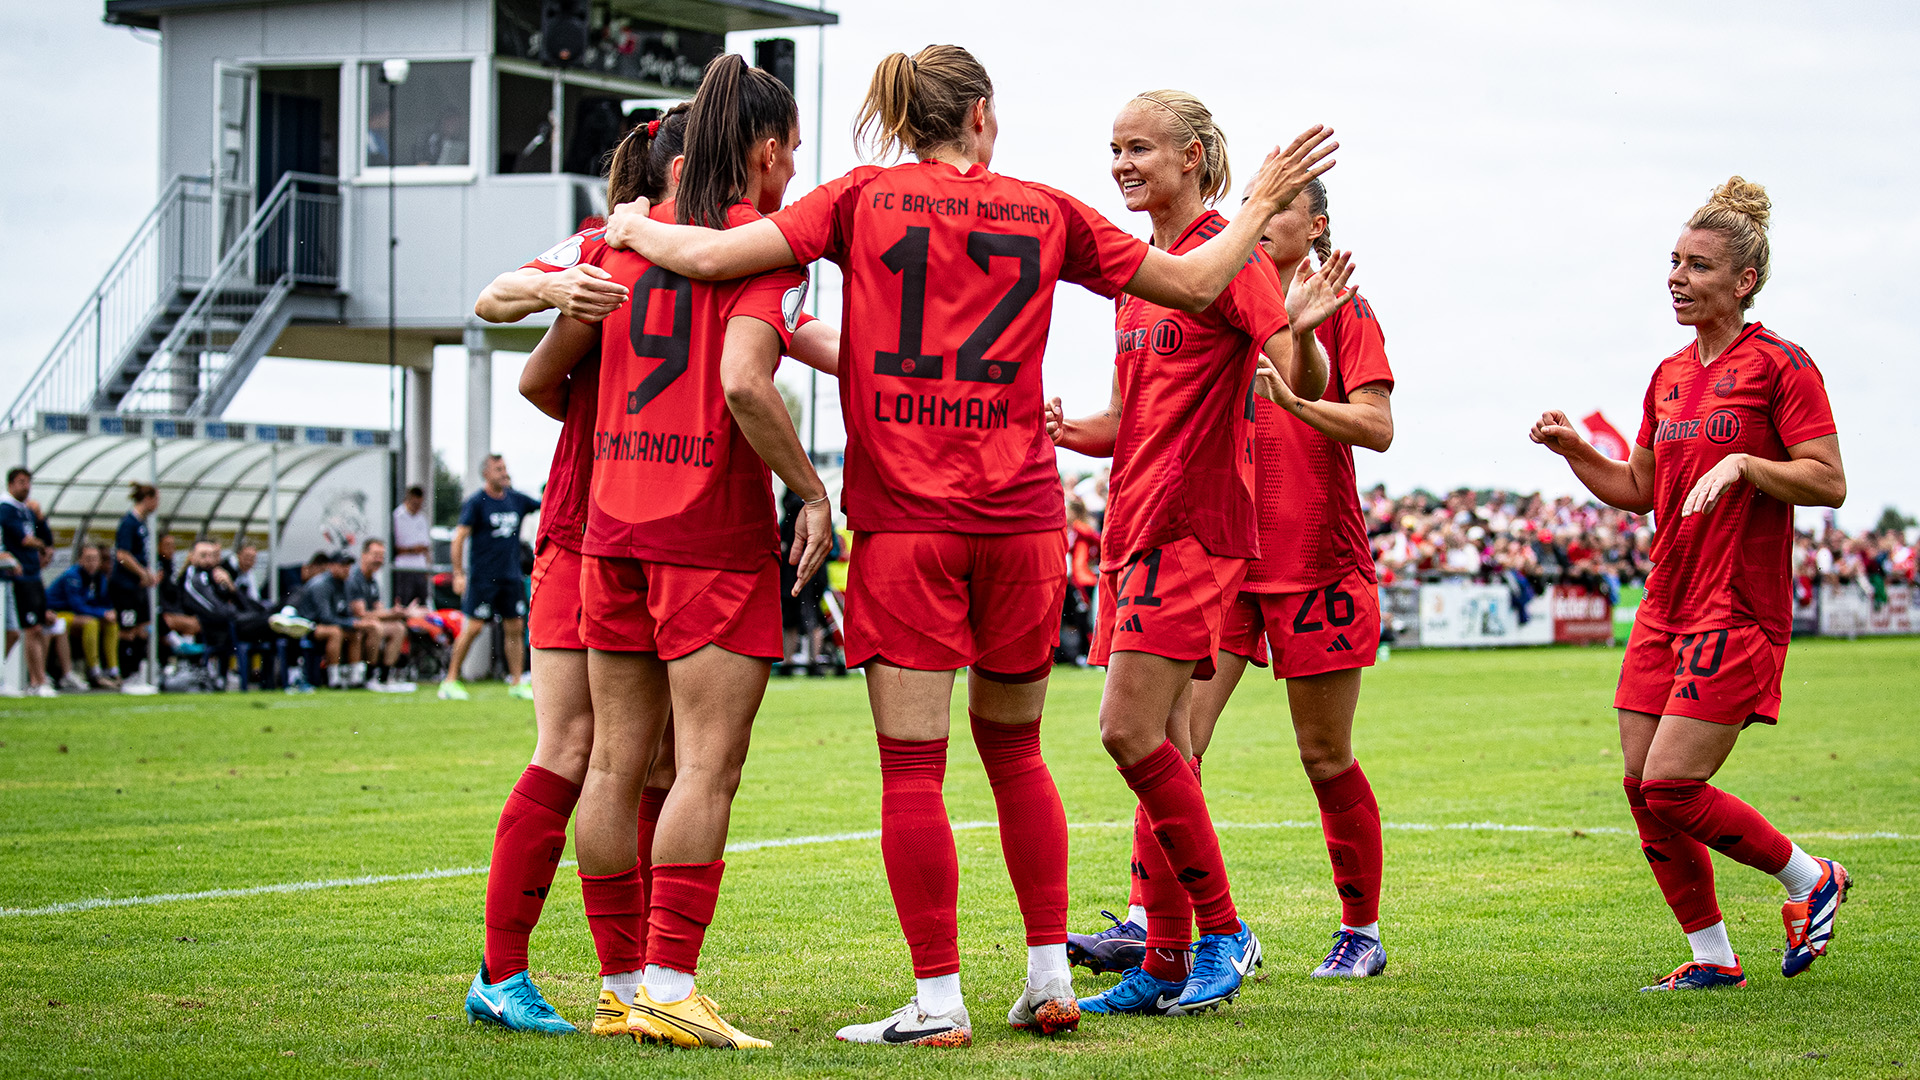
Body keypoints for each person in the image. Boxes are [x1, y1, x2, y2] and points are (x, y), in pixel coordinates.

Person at [605, 45, 1335, 1045]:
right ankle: (1047, 981)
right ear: (982, 117)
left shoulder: (860, 196)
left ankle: (939, 1001)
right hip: (1026, 521)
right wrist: (1256, 206)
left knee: (914, 769)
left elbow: (711, 257)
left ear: (910, 120)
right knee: (1019, 752)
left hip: (910, 524)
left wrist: (634, 222)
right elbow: (1202, 282)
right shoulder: (1046, 209)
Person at [524, 53, 836, 1049]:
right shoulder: (757, 245)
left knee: (616, 768)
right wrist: (812, 488)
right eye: (791, 147)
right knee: (707, 768)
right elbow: (750, 387)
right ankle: (669, 981)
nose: (795, 165)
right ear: (768, 148)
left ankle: (621, 986)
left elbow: (542, 373)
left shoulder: (618, 246)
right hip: (706, 532)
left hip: (609, 531)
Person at [1069, 175, 1396, 984]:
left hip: (1317, 562)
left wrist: (1289, 393)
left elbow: (1378, 427)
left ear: (1315, 224)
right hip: (1226, 559)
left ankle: (1361, 930)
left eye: (1276, 208)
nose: (1258, 219)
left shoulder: (1343, 310)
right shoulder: (1211, 290)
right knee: (1173, 747)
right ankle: (1159, 923)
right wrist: (1073, 432)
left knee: (1325, 756)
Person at [1046, 90, 1329, 1017]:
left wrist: (1308, 328)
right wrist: (1063, 428)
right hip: (1134, 527)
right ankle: (1165, 958)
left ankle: (1221, 932)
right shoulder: (1141, 272)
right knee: (1164, 744)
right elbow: (1129, 419)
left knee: (1128, 733)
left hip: (1194, 531)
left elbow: (1296, 371)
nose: (1122, 163)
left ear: (1196, 156)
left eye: (1139, 148)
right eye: (1113, 148)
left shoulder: (1228, 256)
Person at [1530, 177, 1850, 991]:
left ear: (1743, 281)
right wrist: (1576, 454)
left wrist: (1746, 462)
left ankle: (1812, 881)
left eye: (1697, 265)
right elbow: (1640, 486)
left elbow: (1829, 480)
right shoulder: (1669, 374)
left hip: (1737, 606)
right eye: (1673, 261)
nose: (1676, 276)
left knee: (1674, 783)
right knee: (1644, 789)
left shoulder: (1782, 364)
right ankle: (1713, 957)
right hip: (1666, 604)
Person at [458, 103, 694, 1036]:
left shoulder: (728, 252)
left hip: (664, 541)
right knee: (572, 747)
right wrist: (560, 295)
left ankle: (633, 978)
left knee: (662, 763)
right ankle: (502, 972)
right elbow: (494, 298)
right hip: (582, 530)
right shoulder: (606, 243)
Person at [439, 455, 539, 701]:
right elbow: (459, 537)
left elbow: (545, 502)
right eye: (498, 469)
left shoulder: (516, 499)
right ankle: (450, 681)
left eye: (505, 468)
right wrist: (458, 573)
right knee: (473, 628)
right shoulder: (476, 502)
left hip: (511, 577)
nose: (504, 473)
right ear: (486, 474)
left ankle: (517, 682)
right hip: (484, 579)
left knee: (515, 627)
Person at [178, 537, 278, 687]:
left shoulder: (218, 578)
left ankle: (270, 681)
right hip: (220, 631)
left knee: (271, 619)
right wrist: (237, 612)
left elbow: (250, 606)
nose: (208, 560)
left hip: (234, 625)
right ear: (192, 556)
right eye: (203, 555)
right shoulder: (195, 578)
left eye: (212, 556)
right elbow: (216, 611)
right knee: (272, 622)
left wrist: (232, 588)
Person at [0, 468, 56, 697]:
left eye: (29, 482)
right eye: (22, 482)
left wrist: (41, 519)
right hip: (15, 578)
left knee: (35, 628)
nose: (27, 487)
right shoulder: (6, 509)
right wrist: (41, 546)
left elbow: (46, 540)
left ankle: (38, 680)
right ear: (11, 484)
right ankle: (37, 680)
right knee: (27, 629)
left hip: (33, 575)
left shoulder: (27, 510)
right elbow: (24, 540)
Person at [109, 483, 161, 693]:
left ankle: (138, 675)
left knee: (143, 629)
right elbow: (122, 555)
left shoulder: (142, 524)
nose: (158, 504)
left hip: (139, 587)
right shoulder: (128, 523)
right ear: (147, 499)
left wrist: (149, 574)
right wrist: (142, 573)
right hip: (125, 587)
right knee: (127, 632)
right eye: (156, 499)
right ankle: (126, 677)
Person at [48, 542, 121, 690]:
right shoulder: (72, 575)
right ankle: (94, 671)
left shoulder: (99, 578)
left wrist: (110, 611)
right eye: (88, 558)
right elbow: (77, 605)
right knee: (91, 623)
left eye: (95, 558)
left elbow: (103, 601)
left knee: (111, 624)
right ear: (80, 559)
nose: (92, 562)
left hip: (79, 615)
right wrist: (102, 613)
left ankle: (113, 670)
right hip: (57, 613)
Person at [346, 539, 412, 692]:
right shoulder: (355, 578)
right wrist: (390, 614)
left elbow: (379, 610)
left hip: (367, 622)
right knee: (376, 627)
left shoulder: (372, 581)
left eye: (382, 556)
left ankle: (385, 676)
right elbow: (361, 614)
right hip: (351, 623)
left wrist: (398, 613)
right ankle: (370, 676)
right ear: (363, 555)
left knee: (398, 628)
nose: (379, 560)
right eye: (375, 555)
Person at [293, 551, 353, 687]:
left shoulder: (345, 583)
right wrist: (350, 623)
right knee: (335, 632)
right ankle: (334, 678)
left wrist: (354, 623)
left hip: (332, 623)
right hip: (309, 626)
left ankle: (355, 678)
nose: (346, 569)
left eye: (348, 565)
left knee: (356, 633)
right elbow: (324, 617)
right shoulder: (321, 584)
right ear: (331, 566)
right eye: (343, 565)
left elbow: (345, 612)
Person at [391, 487, 434, 608]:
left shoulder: (422, 518)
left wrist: (427, 567)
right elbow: (395, 547)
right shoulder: (397, 516)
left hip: (420, 568)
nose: (417, 507)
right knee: (404, 603)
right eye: (415, 504)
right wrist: (412, 550)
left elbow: (426, 547)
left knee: (422, 603)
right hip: (403, 568)